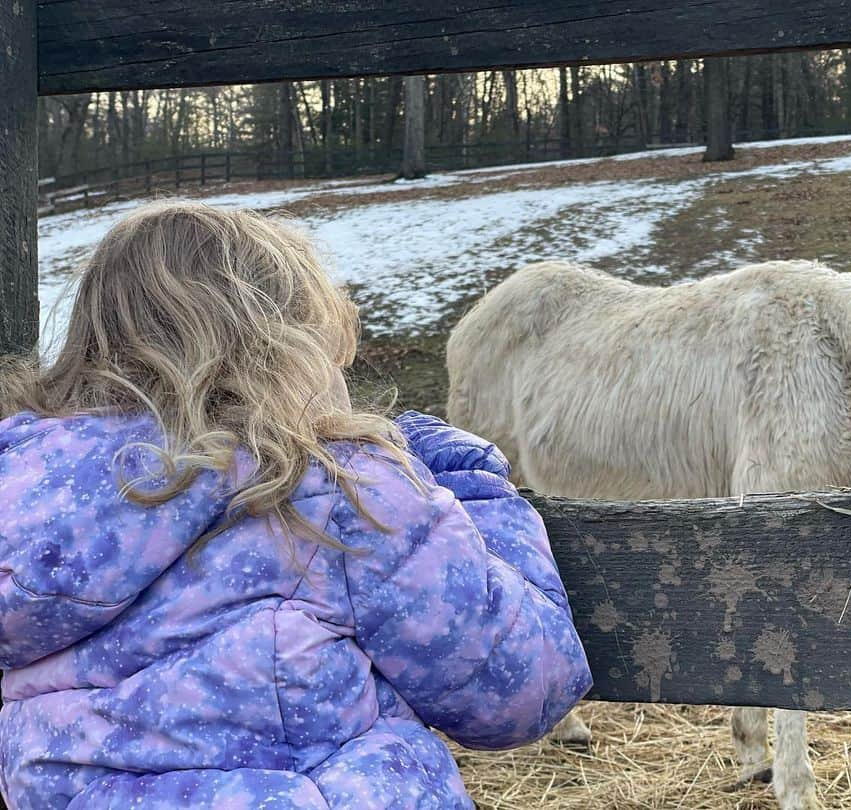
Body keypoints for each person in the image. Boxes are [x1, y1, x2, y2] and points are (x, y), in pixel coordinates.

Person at [0, 202, 592, 809]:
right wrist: (471, 486)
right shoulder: (328, 491)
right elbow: (521, 688)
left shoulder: (22, 501)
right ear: (290, 352)